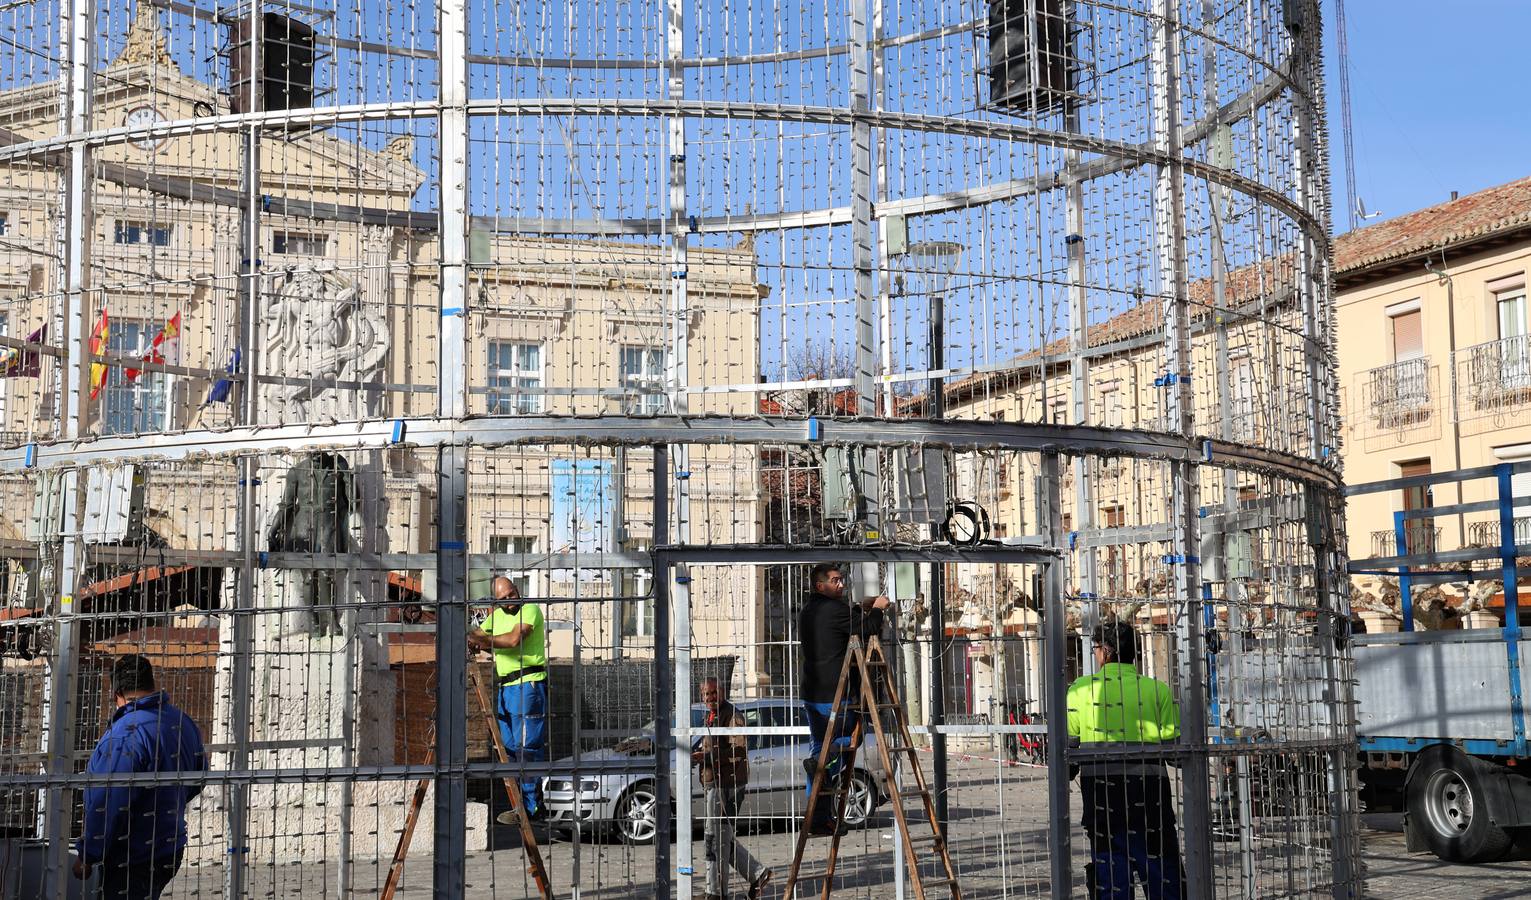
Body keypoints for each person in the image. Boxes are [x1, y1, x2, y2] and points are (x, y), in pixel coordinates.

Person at [1066, 621, 1187, 900]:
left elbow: (1069, 752)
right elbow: (1173, 753)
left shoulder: (1079, 691)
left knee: (1110, 877)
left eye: (1096, 648)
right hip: (1150, 797)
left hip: (1101, 798)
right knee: (1162, 874)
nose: (1095, 654)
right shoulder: (1157, 691)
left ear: (1105, 651)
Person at [75, 654, 207, 900]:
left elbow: (108, 801)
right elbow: (198, 778)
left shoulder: (125, 734)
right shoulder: (181, 721)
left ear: (117, 693)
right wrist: (167, 801)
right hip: (169, 846)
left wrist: (88, 853)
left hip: (132, 854)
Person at [798, 563, 889, 836]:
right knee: (849, 739)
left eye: (841, 580)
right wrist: (879, 608)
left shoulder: (808, 612)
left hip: (812, 693)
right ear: (820, 585)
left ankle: (819, 816)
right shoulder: (835, 611)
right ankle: (822, 766)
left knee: (819, 748)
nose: (841, 584)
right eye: (835, 581)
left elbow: (848, 623)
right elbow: (868, 627)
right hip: (835, 693)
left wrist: (861, 609)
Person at [468, 576, 548, 822]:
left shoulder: (530, 610)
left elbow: (514, 640)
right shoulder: (496, 616)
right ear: (496, 601)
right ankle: (520, 804)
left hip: (528, 683)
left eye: (512, 594)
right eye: (503, 599)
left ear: (517, 590)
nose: (510, 601)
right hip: (506, 687)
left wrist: (481, 641)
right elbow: (476, 633)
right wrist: (472, 637)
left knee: (527, 748)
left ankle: (534, 806)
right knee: (510, 748)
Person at [692, 677, 772, 900]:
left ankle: (716, 893)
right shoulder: (711, 716)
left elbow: (739, 750)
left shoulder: (733, 716)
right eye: (706, 695)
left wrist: (707, 757)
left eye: (714, 693)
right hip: (714, 783)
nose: (710, 698)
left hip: (727, 785)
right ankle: (756, 874)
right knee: (717, 837)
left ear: (723, 692)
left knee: (715, 838)